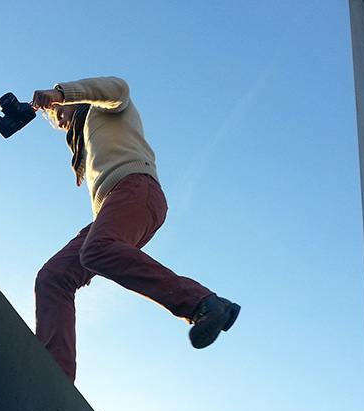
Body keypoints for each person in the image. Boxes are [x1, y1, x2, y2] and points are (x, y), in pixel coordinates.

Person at [31, 76, 240, 382]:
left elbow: (118, 87)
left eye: (58, 109)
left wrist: (60, 92)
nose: (55, 114)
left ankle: (203, 304)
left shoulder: (105, 108)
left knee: (96, 248)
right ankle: (52, 378)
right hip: (116, 207)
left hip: (137, 190)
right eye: (52, 115)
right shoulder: (86, 141)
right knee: (54, 277)